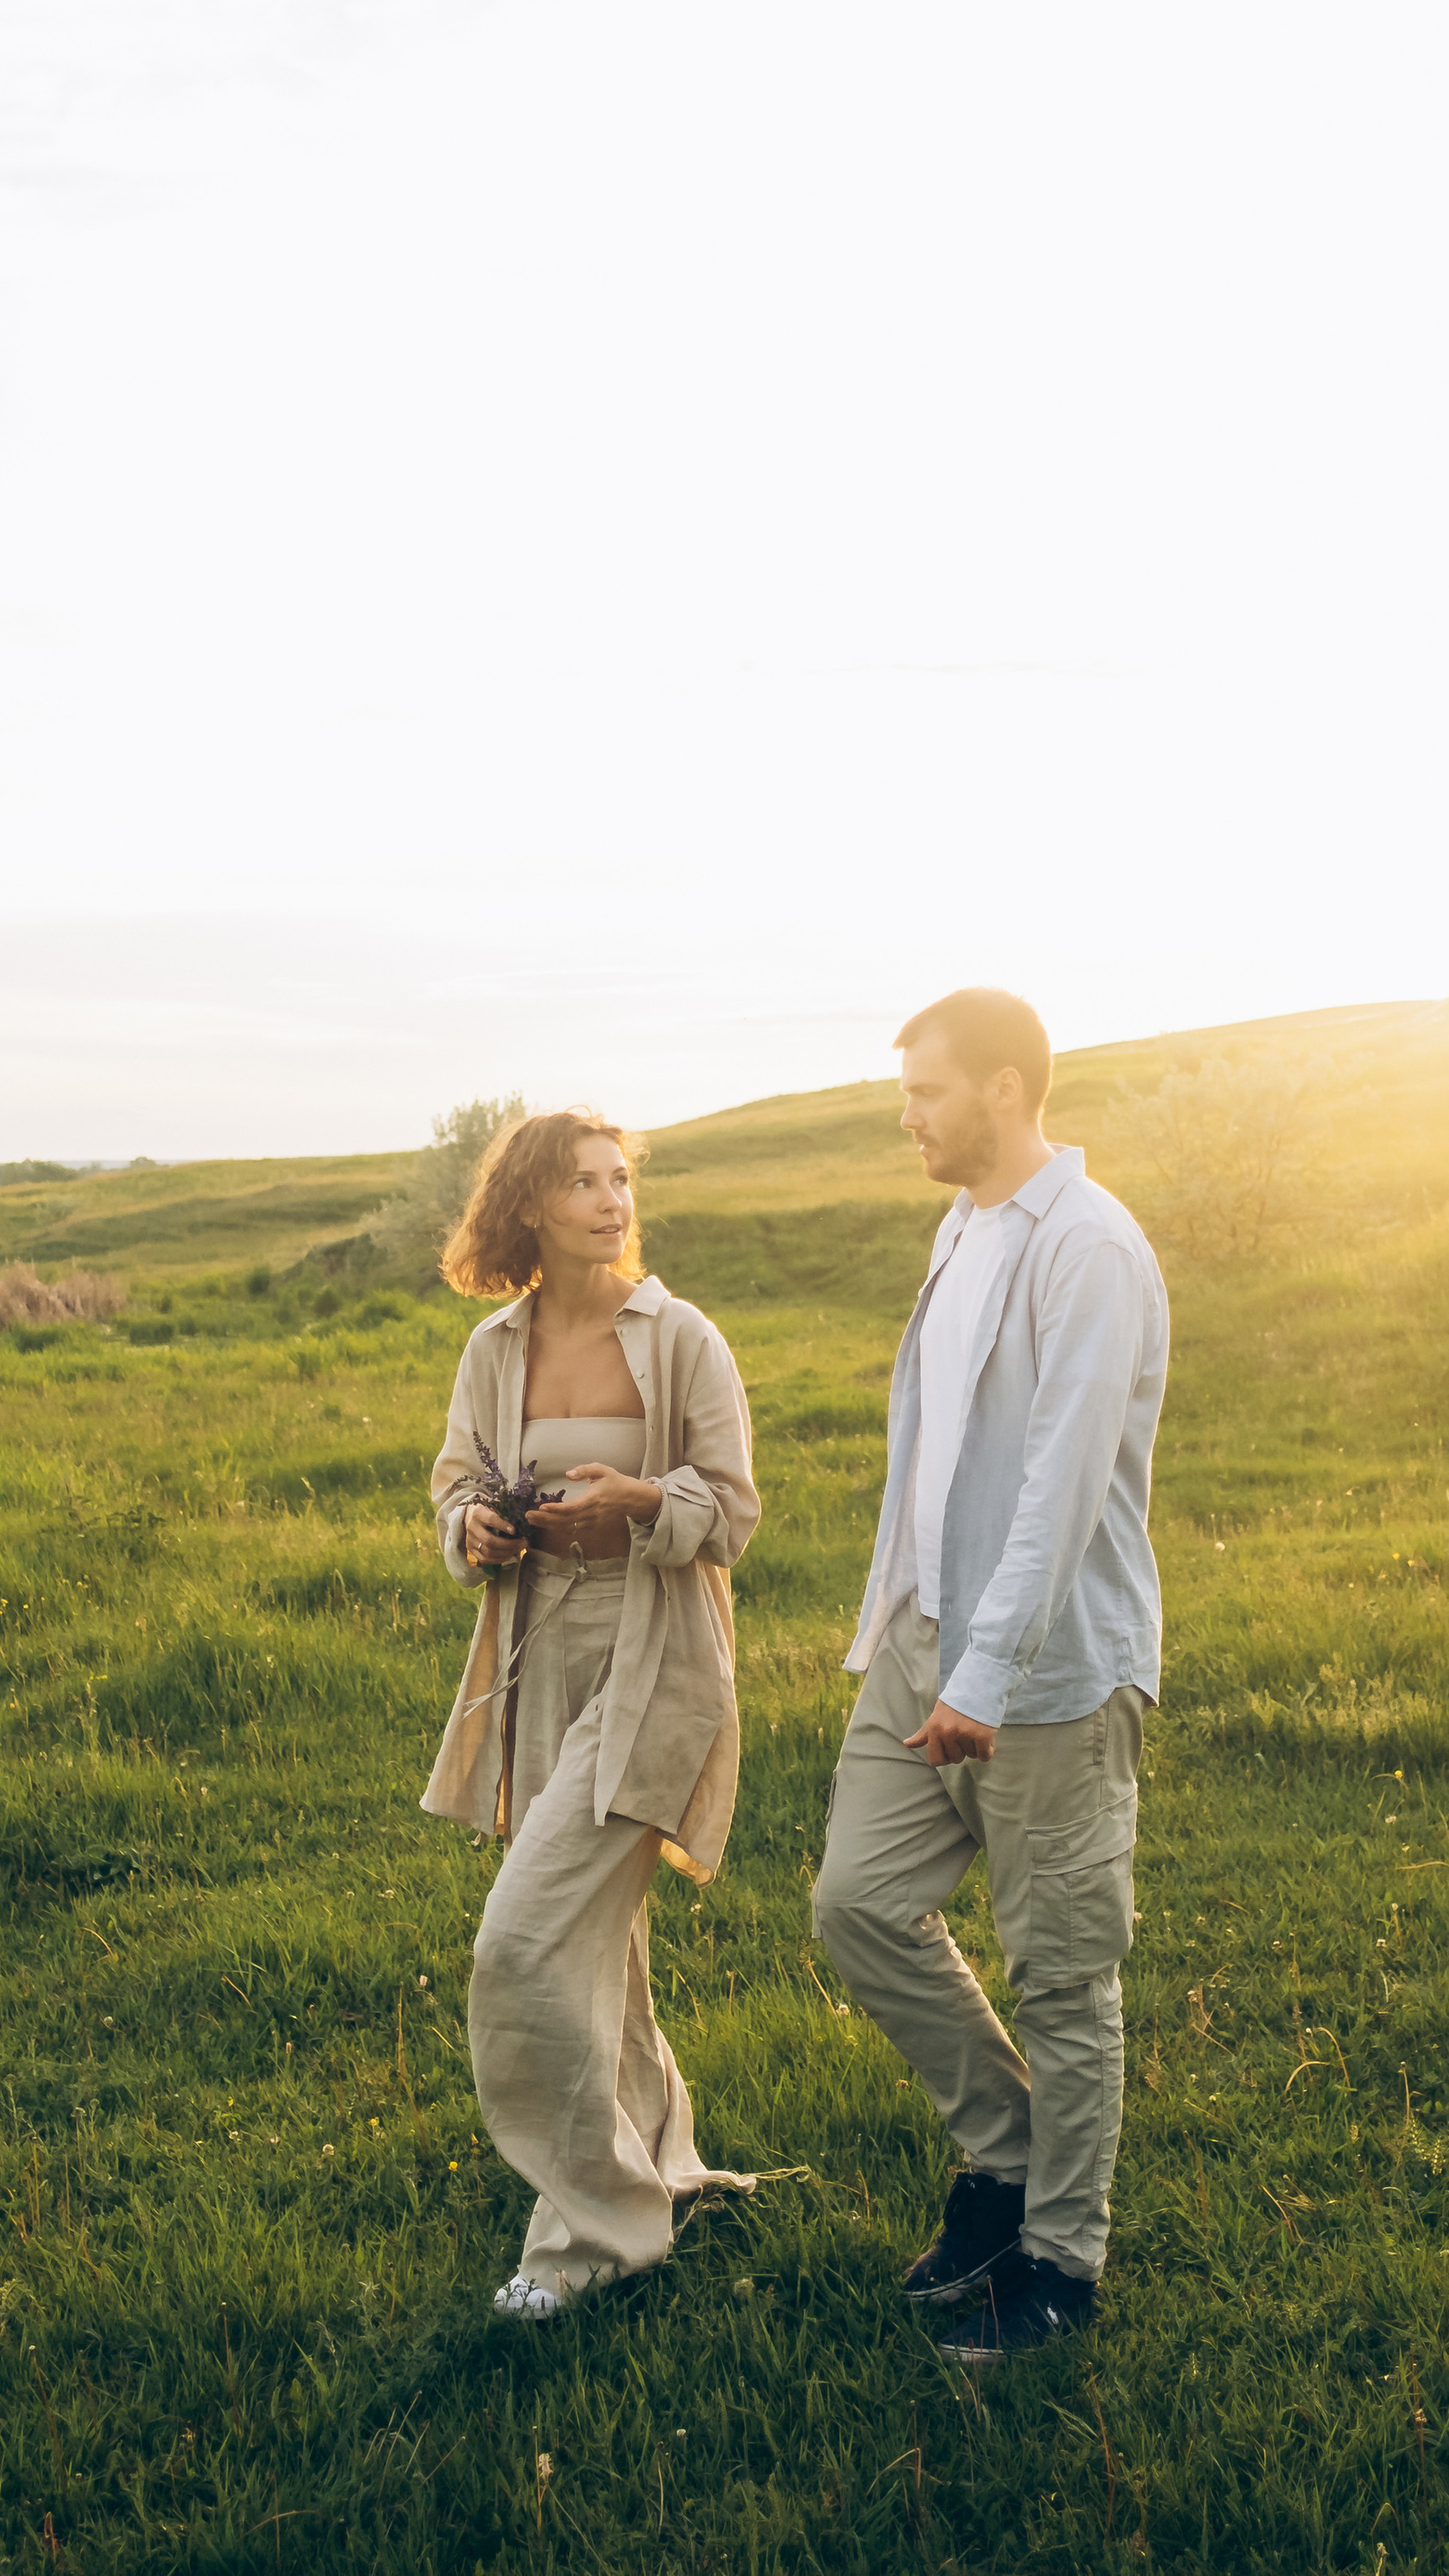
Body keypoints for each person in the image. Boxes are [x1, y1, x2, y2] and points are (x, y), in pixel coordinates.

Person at [813, 988, 1169, 2366]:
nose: (907, 1114)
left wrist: (989, 1675)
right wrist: (903, 1632)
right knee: (858, 1903)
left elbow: (1060, 1490)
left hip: (1051, 1673)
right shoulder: (961, 1229)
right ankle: (1007, 2155)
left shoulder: (1090, 1250)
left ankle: (1062, 2260)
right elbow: (936, 1462)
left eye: (927, 1091)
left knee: (1064, 1972)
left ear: (1008, 1090)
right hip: (924, 1644)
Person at [422, 1107, 759, 2319]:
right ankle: (657, 2166)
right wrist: (479, 1525)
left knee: (524, 1944)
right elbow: (454, 1489)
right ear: (531, 1206)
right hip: (537, 1662)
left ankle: (589, 2237)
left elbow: (731, 1508)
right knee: (599, 1940)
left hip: (656, 1657)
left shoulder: (682, 1340)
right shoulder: (492, 1350)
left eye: (621, 1179)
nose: (612, 1200)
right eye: (582, 1182)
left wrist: (638, 1500)